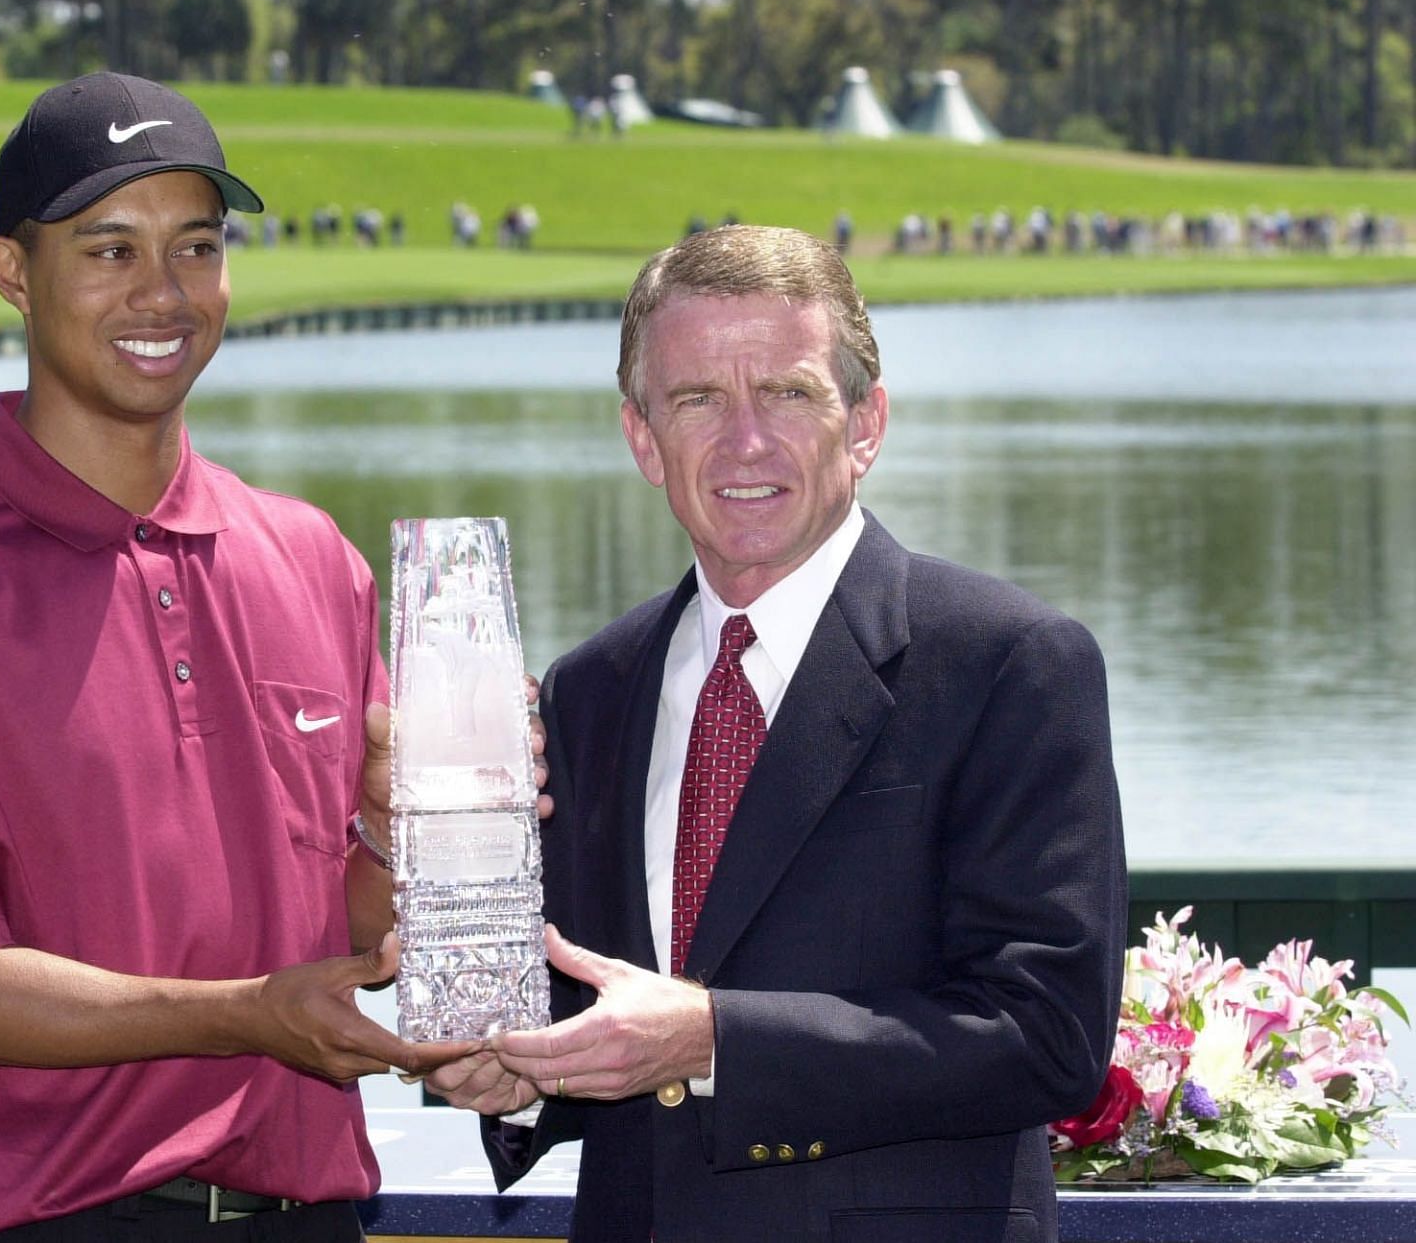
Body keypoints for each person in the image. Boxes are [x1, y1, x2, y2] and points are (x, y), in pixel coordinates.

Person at [0, 72, 477, 1240]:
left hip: (307, 1211)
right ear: (14, 271)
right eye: (109, 250)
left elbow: (352, 917)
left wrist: (435, 833)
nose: (163, 293)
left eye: (196, 247)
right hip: (46, 1221)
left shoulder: (314, 560)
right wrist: (249, 1014)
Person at [428, 225, 1127, 1242]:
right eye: (698, 397)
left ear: (866, 422)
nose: (744, 439)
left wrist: (714, 1040)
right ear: (641, 436)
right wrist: (520, 1073)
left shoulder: (1007, 662)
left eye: (790, 392)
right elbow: (594, 1010)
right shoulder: (590, 690)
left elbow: (1048, 1032)